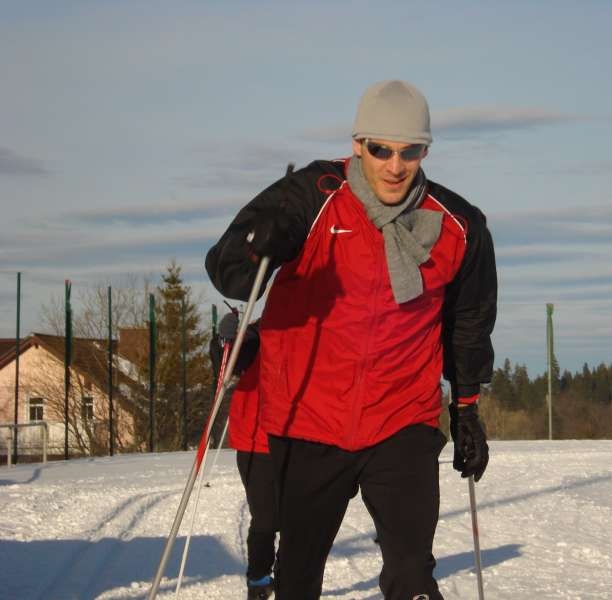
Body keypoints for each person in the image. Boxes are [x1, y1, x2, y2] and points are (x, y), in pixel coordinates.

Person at [206, 80, 496, 599]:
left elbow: (468, 321)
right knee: (298, 576)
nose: (395, 165)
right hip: (309, 419)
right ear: (358, 144)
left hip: (401, 419)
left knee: (412, 574)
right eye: (381, 149)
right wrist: (257, 246)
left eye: (410, 151)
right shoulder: (310, 197)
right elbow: (228, 272)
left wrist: (467, 409)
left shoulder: (459, 225)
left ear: (425, 151)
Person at [210, 313, 277, 600]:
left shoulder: (316, 331)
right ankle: (259, 580)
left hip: (303, 437)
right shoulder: (256, 334)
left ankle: (292, 578)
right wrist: (223, 342)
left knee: (299, 517)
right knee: (266, 518)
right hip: (257, 441)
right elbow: (228, 367)